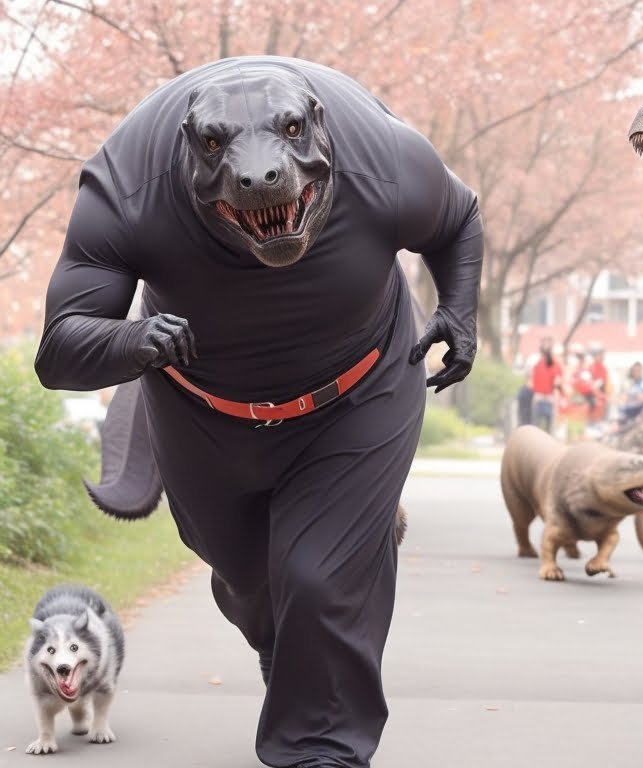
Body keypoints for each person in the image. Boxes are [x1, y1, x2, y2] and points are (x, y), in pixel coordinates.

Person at [33, 57, 483, 768]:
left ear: (318, 131)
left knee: (319, 576)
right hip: (201, 412)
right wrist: (131, 340)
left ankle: (321, 748)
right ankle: (284, 646)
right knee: (248, 582)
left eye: (289, 138)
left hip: (358, 397)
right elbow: (59, 350)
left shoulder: (385, 157)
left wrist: (459, 311)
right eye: (218, 152)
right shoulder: (127, 185)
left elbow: (458, 220)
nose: (260, 179)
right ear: (189, 148)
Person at [529, 336, 562, 433]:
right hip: (541, 396)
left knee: (543, 426)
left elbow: (557, 382)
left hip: (546, 397)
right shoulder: (537, 363)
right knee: (541, 427)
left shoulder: (551, 364)